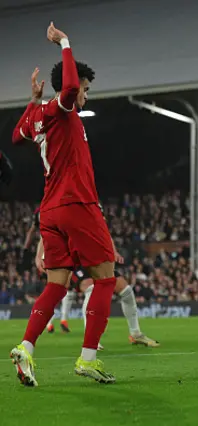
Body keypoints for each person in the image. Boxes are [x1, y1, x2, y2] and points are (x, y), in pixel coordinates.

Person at [9, 23, 116, 386]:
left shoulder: (41, 114)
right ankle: (88, 358)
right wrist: (66, 43)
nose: (84, 95)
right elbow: (69, 87)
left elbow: (16, 135)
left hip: (49, 210)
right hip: (76, 203)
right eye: (86, 89)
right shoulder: (62, 108)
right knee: (105, 279)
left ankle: (26, 347)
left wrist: (32, 100)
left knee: (57, 284)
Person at [27, 208, 159, 348]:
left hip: (96, 258)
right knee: (90, 288)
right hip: (75, 260)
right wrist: (38, 256)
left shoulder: (93, 205)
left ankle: (136, 334)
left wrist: (113, 251)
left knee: (126, 291)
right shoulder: (67, 206)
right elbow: (47, 233)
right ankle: (91, 341)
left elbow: (104, 231)